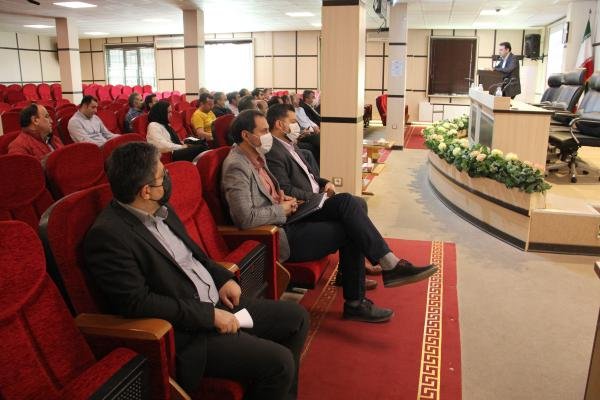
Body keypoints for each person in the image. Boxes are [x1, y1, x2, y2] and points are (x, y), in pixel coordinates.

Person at [84, 142, 309, 398]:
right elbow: (138, 303)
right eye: (162, 175)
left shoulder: (161, 209)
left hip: (218, 304)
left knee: (297, 318)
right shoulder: (109, 236)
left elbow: (196, 256)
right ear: (146, 191)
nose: (168, 178)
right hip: (191, 332)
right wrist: (209, 316)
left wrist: (222, 278)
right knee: (280, 363)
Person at [221, 110, 438, 323]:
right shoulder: (236, 166)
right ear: (246, 135)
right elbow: (244, 218)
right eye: (263, 131)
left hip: (289, 215)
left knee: (348, 202)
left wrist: (281, 197)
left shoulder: (256, 157)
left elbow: (268, 193)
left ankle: (385, 268)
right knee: (350, 229)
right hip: (277, 234)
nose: (268, 135)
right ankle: (366, 292)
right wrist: (281, 209)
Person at [265, 104, 379, 289]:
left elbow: (309, 175)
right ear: (280, 124)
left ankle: (351, 270)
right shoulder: (273, 151)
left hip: (315, 198)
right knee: (350, 206)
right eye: (293, 121)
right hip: (303, 207)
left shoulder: (289, 144)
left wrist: (325, 182)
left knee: (357, 203)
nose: (297, 126)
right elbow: (285, 188)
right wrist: (317, 197)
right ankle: (378, 260)